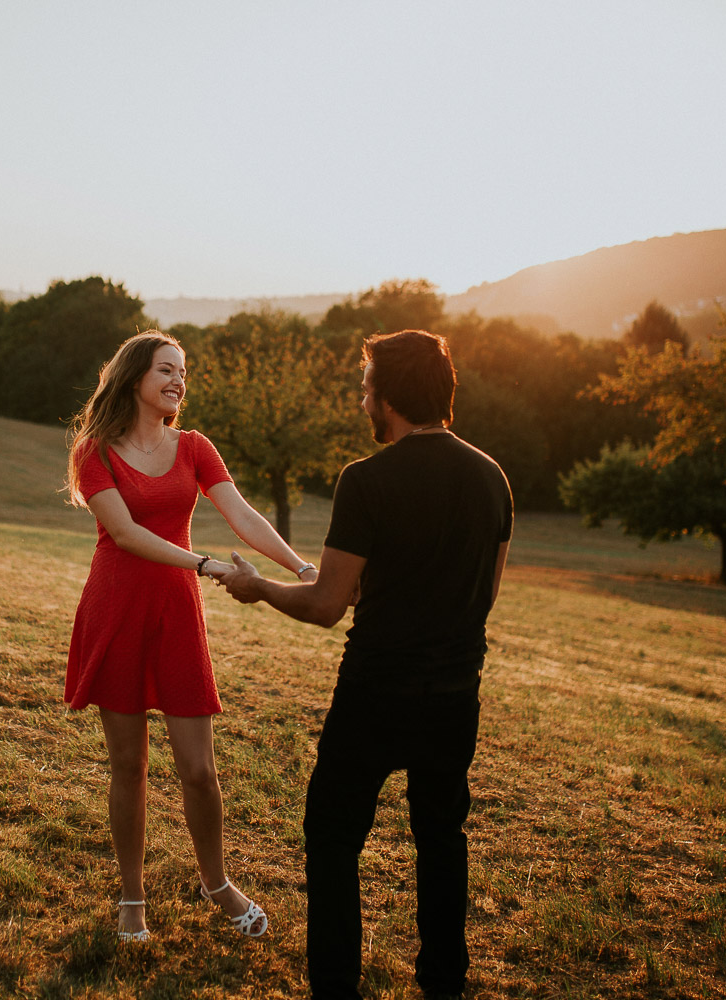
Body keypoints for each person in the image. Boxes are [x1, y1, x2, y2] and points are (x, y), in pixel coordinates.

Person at [220, 329, 512, 999]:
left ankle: (335, 990)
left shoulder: (367, 480)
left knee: (331, 838)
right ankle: (443, 984)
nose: (362, 401)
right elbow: (485, 596)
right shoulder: (492, 476)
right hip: (455, 695)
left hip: (375, 693)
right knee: (442, 839)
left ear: (390, 396)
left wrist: (258, 587)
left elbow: (327, 605)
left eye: (366, 388)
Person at [64, 330, 320, 943]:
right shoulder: (94, 450)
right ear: (133, 378)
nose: (179, 380)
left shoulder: (195, 447)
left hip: (177, 614)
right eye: (166, 370)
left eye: (184, 371)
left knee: (199, 770)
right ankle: (132, 897)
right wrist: (204, 564)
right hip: (118, 607)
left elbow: (242, 514)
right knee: (128, 767)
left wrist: (302, 568)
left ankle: (218, 884)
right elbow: (124, 534)